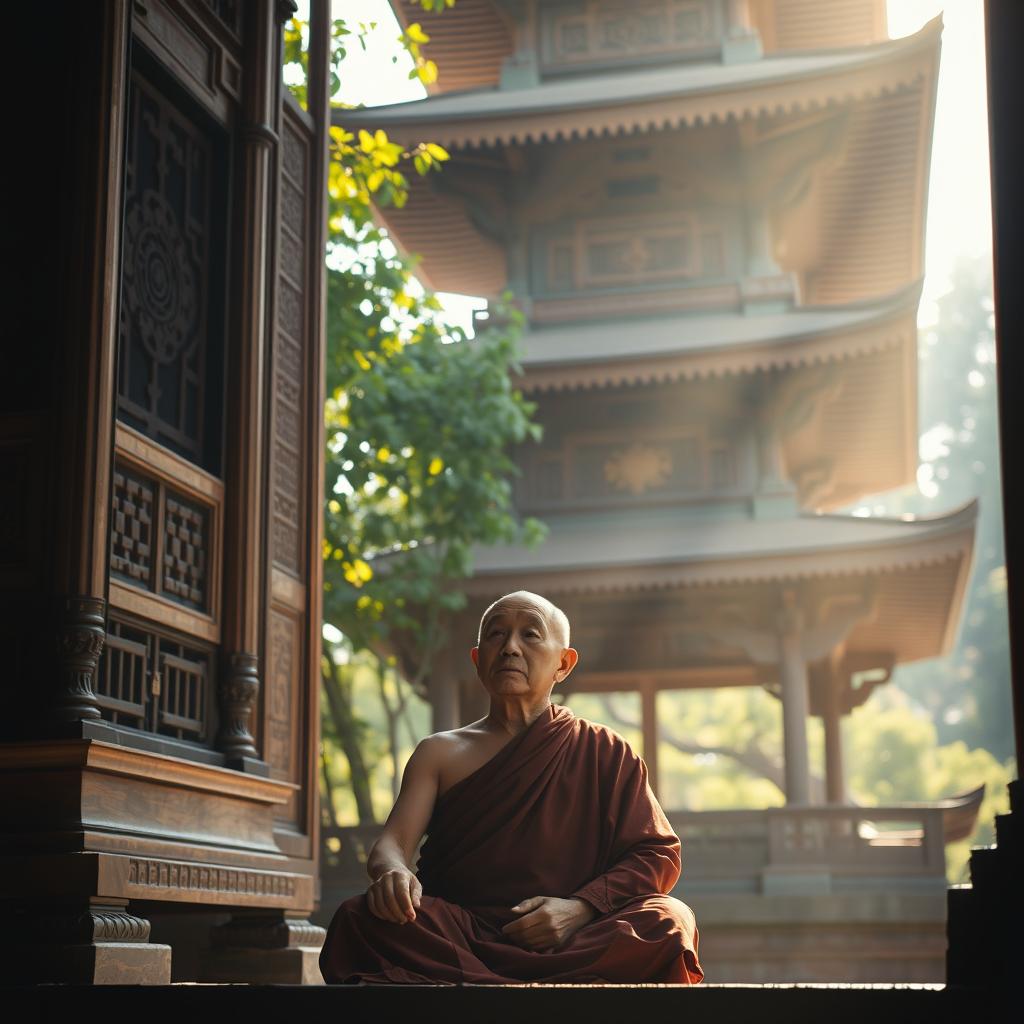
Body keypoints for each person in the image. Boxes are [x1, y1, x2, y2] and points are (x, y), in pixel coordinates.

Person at [318, 590, 703, 985]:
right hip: (462, 936)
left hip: (575, 937)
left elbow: (657, 854)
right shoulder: (440, 753)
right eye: (496, 635)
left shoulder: (605, 751)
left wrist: (580, 908)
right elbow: (392, 844)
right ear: (477, 658)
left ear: (564, 664)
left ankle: (490, 991)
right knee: (358, 918)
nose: (510, 648)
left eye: (530, 635)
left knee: (669, 919)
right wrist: (393, 873)